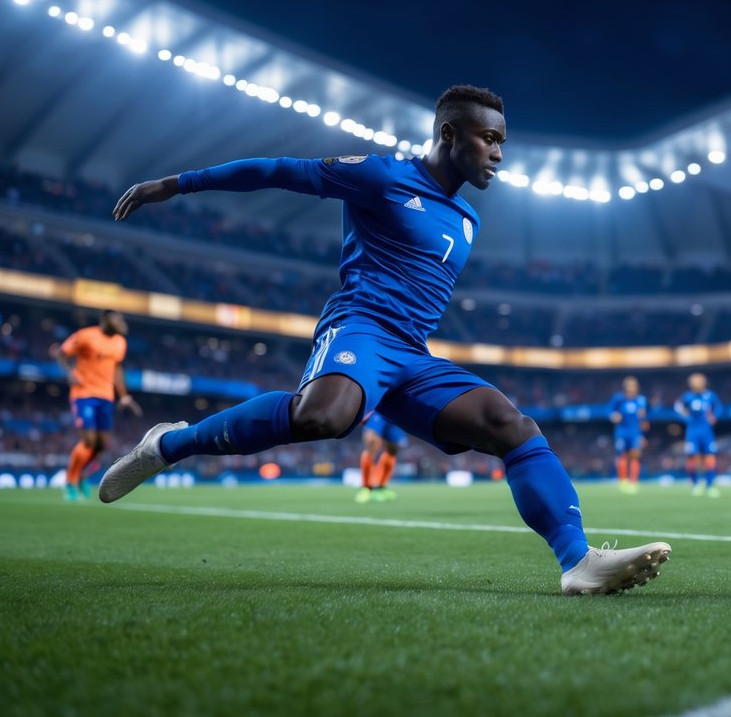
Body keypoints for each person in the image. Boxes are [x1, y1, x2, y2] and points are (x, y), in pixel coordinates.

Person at [101, 85, 669, 595]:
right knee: (324, 418)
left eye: (503, 141)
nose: (499, 152)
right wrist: (175, 184)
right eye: (489, 138)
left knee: (512, 427)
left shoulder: (468, 219)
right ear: (450, 133)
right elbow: (279, 169)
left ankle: (578, 561)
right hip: (361, 329)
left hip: (413, 355)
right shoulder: (380, 176)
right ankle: (167, 445)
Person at [50, 310, 141, 501]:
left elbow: (117, 369)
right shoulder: (86, 336)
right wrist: (68, 372)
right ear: (106, 320)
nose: (121, 322)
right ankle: (70, 481)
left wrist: (123, 395)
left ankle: (82, 476)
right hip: (84, 394)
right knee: (89, 441)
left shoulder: (119, 342)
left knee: (101, 445)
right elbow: (61, 352)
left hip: (106, 397)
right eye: (118, 318)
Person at [674, 373, 723, 498]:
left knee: (710, 458)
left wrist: (714, 416)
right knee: (692, 458)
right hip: (692, 432)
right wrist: (685, 416)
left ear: (703, 382)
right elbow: (677, 407)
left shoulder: (710, 396)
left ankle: (709, 485)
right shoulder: (687, 396)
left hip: (707, 432)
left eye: (698, 381)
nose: (695, 383)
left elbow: (718, 407)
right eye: (693, 381)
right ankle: (695, 484)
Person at [606, 376, 647, 494]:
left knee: (635, 455)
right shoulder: (619, 399)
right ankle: (623, 481)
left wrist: (642, 434)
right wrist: (614, 416)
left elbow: (643, 417)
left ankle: (633, 482)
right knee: (622, 455)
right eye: (628, 385)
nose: (630, 388)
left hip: (635, 432)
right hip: (622, 432)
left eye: (633, 386)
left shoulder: (641, 400)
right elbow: (609, 410)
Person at [357, 412, 407, 503]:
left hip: (396, 414)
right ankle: (366, 487)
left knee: (393, 449)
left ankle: (381, 487)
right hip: (379, 411)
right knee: (371, 442)